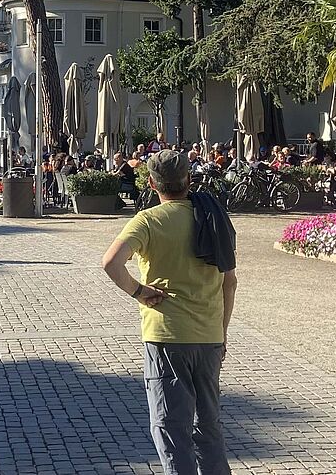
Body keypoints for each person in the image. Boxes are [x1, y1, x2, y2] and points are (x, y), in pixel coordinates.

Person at [101, 152, 237, 475]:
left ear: (151, 183)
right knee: (210, 428)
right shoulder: (214, 219)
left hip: (166, 338)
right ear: (189, 180)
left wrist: (139, 291)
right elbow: (229, 283)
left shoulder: (148, 221)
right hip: (209, 337)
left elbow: (111, 263)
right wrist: (222, 332)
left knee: (172, 430)